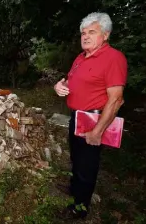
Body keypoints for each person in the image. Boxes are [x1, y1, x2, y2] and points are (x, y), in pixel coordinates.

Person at [54, 12, 128, 219]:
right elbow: (69, 82)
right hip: (76, 117)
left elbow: (116, 99)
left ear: (105, 35)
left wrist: (98, 131)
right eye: (83, 33)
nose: (85, 36)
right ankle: (74, 188)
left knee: (87, 165)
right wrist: (59, 85)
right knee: (76, 158)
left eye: (92, 32)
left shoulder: (113, 58)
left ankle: (79, 208)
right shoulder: (80, 57)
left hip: (94, 120)